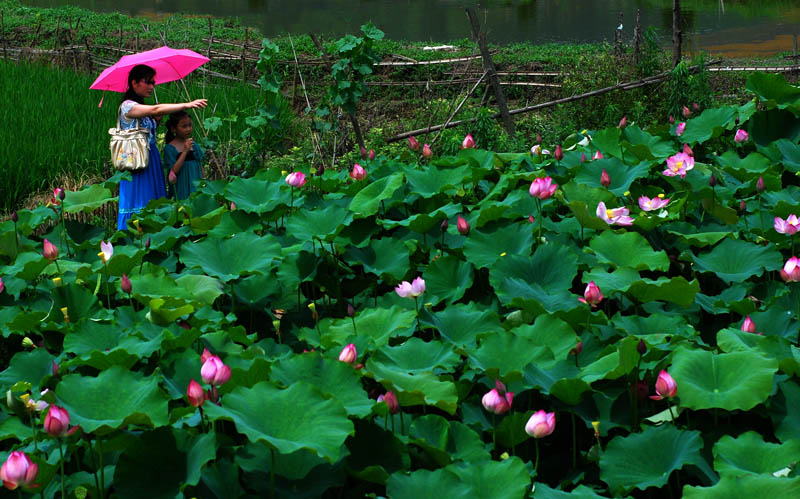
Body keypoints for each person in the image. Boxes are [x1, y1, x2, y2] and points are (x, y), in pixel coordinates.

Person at [116, 64, 207, 230]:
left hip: (151, 159)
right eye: (148, 82)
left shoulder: (143, 108)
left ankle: (154, 236)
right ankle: (134, 236)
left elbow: (149, 129)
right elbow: (156, 108)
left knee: (154, 200)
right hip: (136, 162)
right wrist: (187, 105)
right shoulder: (127, 106)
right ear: (134, 83)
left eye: (153, 83)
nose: (152, 86)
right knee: (140, 200)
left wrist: (155, 122)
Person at [163, 111, 204, 200]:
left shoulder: (194, 145)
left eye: (190, 125)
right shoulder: (170, 148)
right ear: (174, 129)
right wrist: (185, 151)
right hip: (181, 186)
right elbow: (173, 171)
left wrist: (204, 181)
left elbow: (200, 165)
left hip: (196, 183)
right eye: (184, 126)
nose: (188, 129)